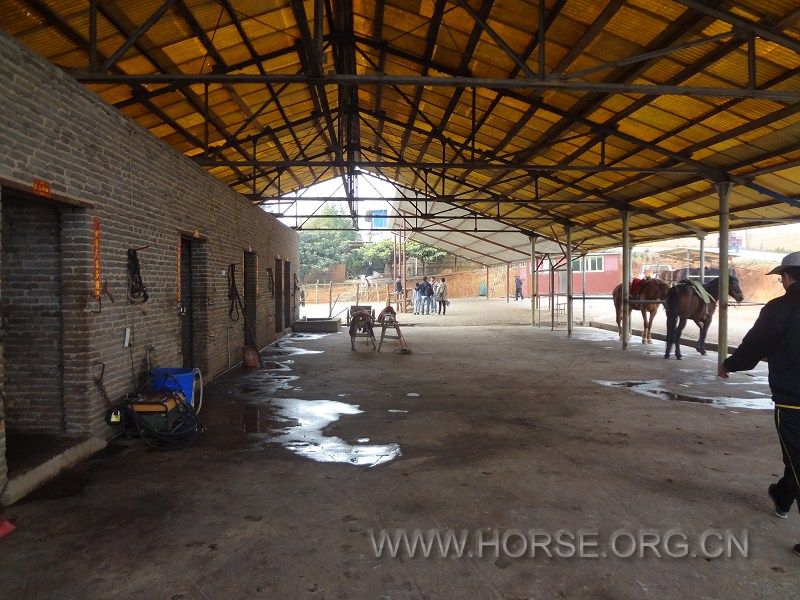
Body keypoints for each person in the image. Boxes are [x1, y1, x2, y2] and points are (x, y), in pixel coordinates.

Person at [718, 251, 800, 556]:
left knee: (798, 458)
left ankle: (783, 494)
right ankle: (782, 495)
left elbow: (756, 345)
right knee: (796, 458)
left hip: (794, 401)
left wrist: (731, 363)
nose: (780, 281)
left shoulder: (781, 307)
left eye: (781, 277)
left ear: (788, 277)